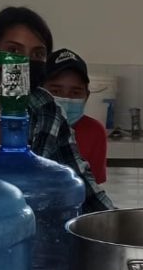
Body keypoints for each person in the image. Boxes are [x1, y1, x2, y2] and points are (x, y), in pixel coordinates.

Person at [0, 6, 113, 212]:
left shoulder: (47, 109)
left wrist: (116, 230)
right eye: (14, 50)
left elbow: (83, 186)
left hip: (27, 229)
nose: (25, 62)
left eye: (37, 54)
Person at [42, 48, 108, 184]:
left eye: (75, 93)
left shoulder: (94, 131)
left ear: (87, 96)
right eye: (55, 91)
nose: (65, 98)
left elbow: (93, 188)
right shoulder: (26, 127)